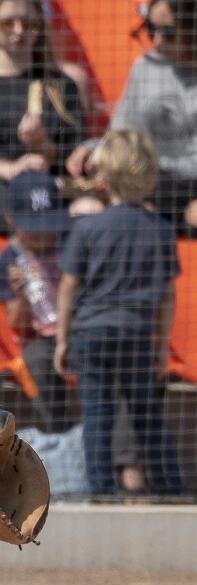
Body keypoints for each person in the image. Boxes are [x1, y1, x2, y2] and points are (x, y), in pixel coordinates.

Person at [54, 129, 183, 498]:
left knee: (98, 415)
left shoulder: (88, 228)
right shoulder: (159, 230)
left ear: (103, 177)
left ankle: (101, 492)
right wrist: (161, 348)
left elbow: (67, 287)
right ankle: (173, 489)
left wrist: (63, 339)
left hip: (91, 333)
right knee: (146, 416)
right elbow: (168, 295)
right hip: (137, 335)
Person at [65, 0, 197, 238]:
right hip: (141, 185)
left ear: (196, 29)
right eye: (150, 28)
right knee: (90, 209)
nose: (156, 40)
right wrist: (95, 149)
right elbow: (121, 133)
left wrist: (140, 163)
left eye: (168, 33)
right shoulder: (145, 67)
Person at [0, 171, 72, 433]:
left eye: (48, 225)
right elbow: (17, 325)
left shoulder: (72, 241)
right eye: (34, 228)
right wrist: (20, 295)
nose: (43, 235)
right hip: (40, 337)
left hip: (77, 328)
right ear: (11, 219)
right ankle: (60, 433)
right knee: (37, 360)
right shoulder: (9, 259)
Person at [0, 0, 84, 182]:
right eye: (7, 23)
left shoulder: (61, 85)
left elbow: (74, 156)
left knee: (87, 206)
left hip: (51, 195)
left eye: (28, 23)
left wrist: (41, 144)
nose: (19, 30)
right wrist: (10, 169)